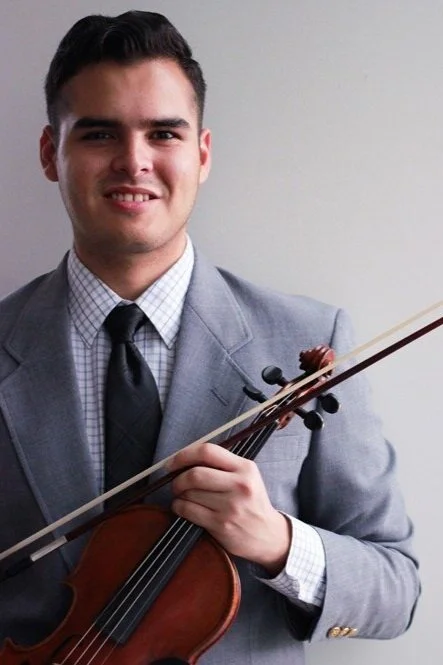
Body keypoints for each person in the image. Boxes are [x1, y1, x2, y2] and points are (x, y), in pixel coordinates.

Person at [0, 10, 419, 664]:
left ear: (201, 154)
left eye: (163, 133)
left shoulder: (309, 338)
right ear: (52, 153)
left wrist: (279, 543)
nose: (133, 161)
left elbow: (396, 590)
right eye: (100, 133)